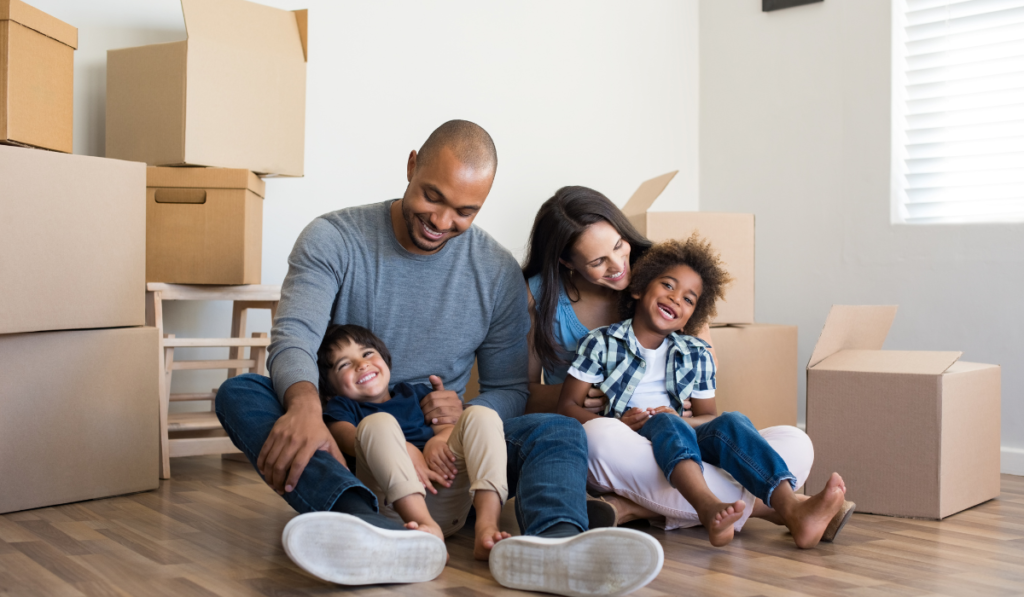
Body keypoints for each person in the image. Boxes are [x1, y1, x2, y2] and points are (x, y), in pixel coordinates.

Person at [215, 120, 664, 595]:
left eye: (464, 211)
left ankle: (555, 543)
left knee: (557, 428)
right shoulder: (334, 238)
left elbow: (510, 389)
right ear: (412, 166)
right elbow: (295, 337)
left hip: (449, 455)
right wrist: (306, 407)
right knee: (242, 393)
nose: (442, 221)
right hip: (348, 436)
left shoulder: (495, 272)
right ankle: (363, 522)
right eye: (433, 197)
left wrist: (462, 418)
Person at [522, 186, 842, 538]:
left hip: (683, 437)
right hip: (616, 440)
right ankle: (774, 509)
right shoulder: (560, 312)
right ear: (567, 262)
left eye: (618, 246)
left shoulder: (666, 279)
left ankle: (632, 508)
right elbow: (522, 393)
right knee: (601, 435)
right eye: (598, 262)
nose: (618, 267)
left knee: (794, 442)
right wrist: (585, 399)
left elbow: (707, 409)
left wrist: (691, 406)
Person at [317, 323, 510, 560]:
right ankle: (425, 527)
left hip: (448, 492)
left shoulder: (415, 393)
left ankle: (487, 527)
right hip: (396, 508)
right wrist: (405, 448)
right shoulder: (341, 408)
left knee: (481, 415)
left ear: (385, 360)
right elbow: (347, 440)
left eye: (367, 353)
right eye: (344, 364)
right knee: (378, 423)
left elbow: (449, 427)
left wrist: (438, 440)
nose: (362, 364)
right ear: (329, 389)